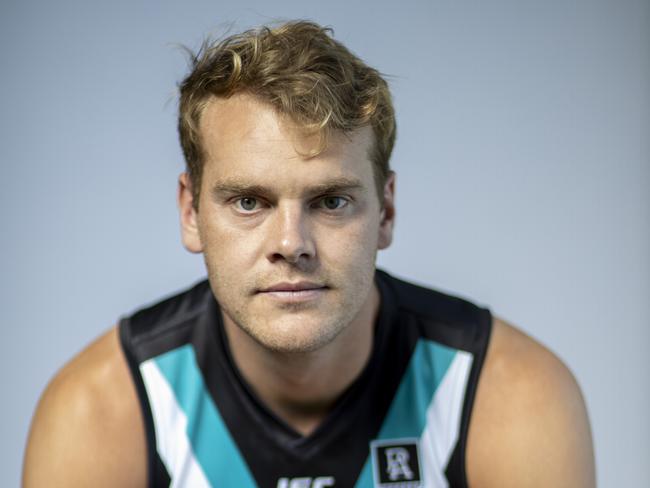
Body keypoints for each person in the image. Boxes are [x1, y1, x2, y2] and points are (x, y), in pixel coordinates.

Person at [22, 20, 595, 488]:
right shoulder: (101, 413)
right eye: (249, 201)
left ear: (386, 212)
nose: (291, 244)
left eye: (330, 201)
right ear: (191, 213)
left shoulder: (509, 397)